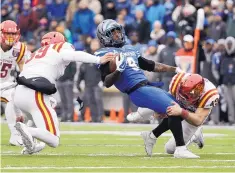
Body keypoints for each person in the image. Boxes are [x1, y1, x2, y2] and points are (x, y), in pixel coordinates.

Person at [96, 19, 198, 158]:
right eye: (113, 32)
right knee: (174, 108)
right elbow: (107, 82)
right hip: (136, 91)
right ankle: (180, 148)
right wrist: (118, 70)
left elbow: (150, 65)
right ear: (104, 36)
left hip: (147, 86)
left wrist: (175, 69)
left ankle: (152, 135)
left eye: (118, 30)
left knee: (180, 109)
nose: (117, 34)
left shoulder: (129, 48)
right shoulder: (104, 54)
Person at [13, 31, 115, 154]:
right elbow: (75, 55)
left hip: (20, 94)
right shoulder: (60, 47)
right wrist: (98, 59)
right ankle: (27, 130)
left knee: (38, 113)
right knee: (54, 139)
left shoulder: (35, 54)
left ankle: (30, 145)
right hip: (35, 93)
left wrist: (18, 111)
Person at [127, 73, 219, 157]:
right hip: (179, 107)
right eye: (183, 94)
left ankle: (195, 135)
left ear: (199, 93)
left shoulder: (209, 94)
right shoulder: (177, 81)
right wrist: (161, 110)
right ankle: (140, 115)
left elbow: (198, 120)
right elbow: (168, 102)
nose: (185, 98)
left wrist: (182, 112)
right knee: (167, 106)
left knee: (170, 149)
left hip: (193, 116)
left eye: (188, 96)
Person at [0, 20, 28, 146]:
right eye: (7, 34)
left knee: (14, 100)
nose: (11, 37)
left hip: (6, 84)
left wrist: (26, 82)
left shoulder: (20, 48)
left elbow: (23, 69)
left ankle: (15, 135)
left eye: (13, 34)